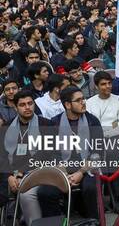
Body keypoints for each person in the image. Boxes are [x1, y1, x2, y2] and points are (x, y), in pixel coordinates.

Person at [40, 86, 103, 220]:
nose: (83, 102)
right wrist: (62, 172)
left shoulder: (92, 121)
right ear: (67, 105)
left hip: (87, 168)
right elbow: (49, 152)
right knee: (45, 192)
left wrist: (80, 172)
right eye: (78, 100)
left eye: (83, 99)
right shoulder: (54, 123)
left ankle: (93, 221)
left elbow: (98, 152)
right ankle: (56, 222)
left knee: (89, 188)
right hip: (62, 168)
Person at [0, 90, 54, 225]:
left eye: (30, 103)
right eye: (22, 104)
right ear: (15, 107)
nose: (27, 107)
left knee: (26, 193)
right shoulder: (7, 126)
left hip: (38, 171)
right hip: (12, 173)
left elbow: (45, 154)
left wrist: (21, 173)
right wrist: (9, 176)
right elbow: (3, 155)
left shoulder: (46, 124)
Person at [86, 71, 119, 213]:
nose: (107, 86)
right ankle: (113, 196)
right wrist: (112, 125)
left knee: (112, 154)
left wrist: (106, 130)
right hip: (95, 141)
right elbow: (91, 126)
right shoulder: (89, 103)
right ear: (97, 86)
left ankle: (114, 197)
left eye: (109, 83)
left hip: (115, 140)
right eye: (103, 84)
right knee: (105, 156)